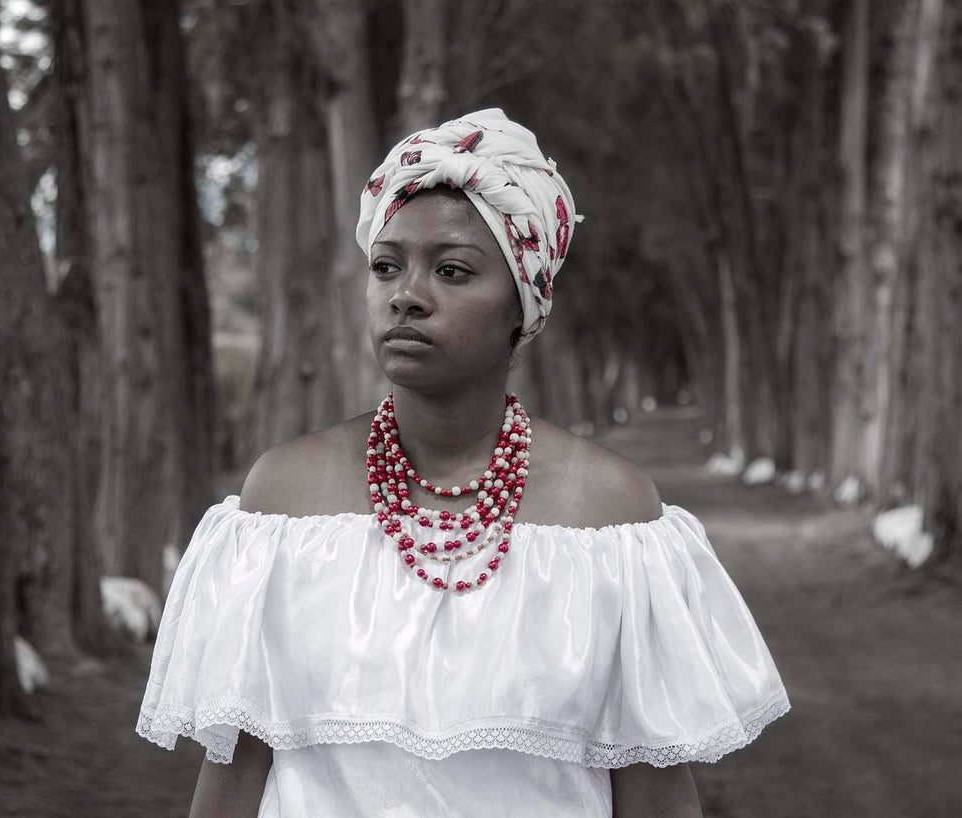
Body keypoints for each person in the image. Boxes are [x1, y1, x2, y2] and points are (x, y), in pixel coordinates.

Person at [136, 109, 789, 817]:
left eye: (452, 270)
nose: (406, 295)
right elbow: (231, 780)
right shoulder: (282, 505)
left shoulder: (610, 518)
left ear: (524, 304)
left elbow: (654, 798)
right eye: (386, 266)